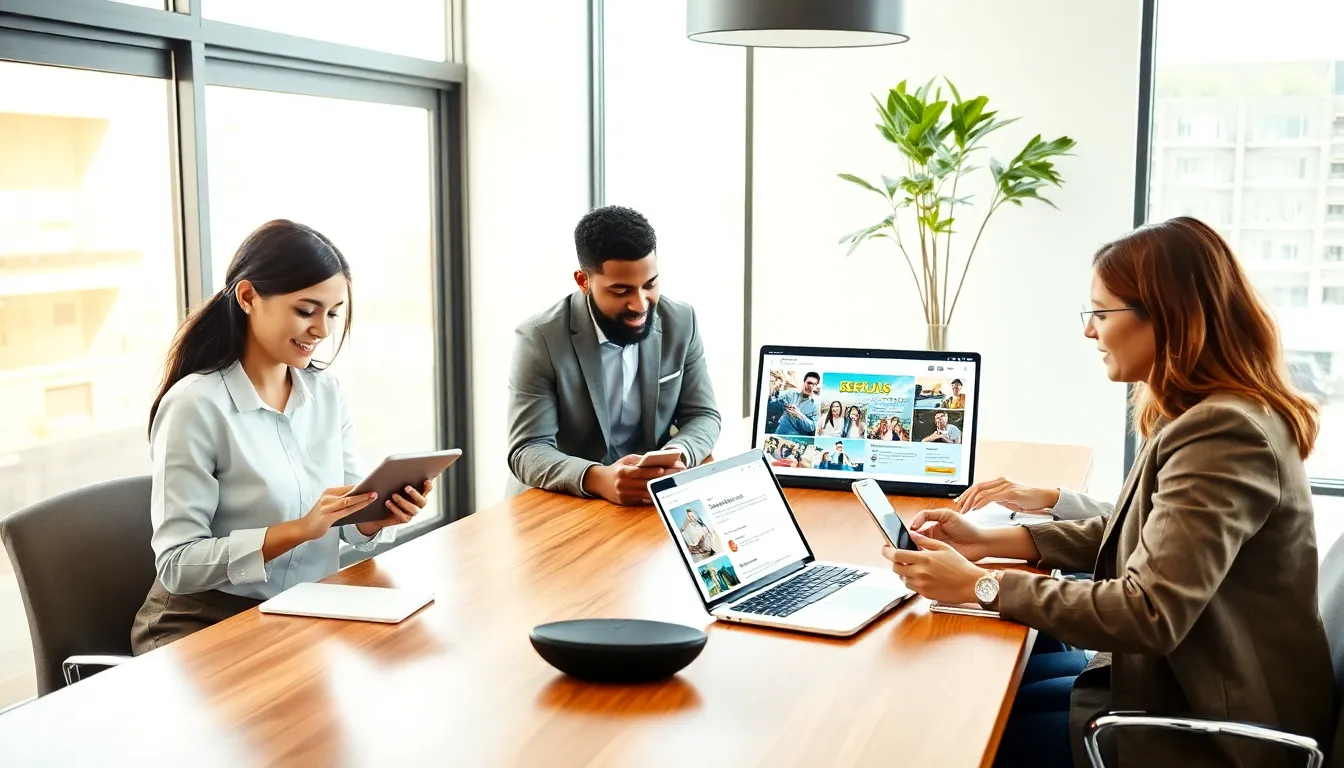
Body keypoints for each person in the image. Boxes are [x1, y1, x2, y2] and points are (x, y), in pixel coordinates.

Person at [880, 217, 1332, 768]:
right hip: (1183, 687)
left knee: (965, 737)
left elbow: (1149, 611)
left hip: (1216, 735)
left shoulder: (1221, 435)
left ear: (1166, 318)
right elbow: (1139, 530)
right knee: (1000, 692)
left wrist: (982, 586)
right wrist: (991, 540)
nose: (1089, 331)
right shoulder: (1211, 412)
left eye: (1100, 312)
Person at [131, 220, 429, 654]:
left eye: (332, 313)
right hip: (201, 624)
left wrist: (372, 517)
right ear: (249, 297)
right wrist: (298, 530)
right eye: (306, 311)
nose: (322, 330)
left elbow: (343, 519)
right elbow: (178, 565)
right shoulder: (196, 404)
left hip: (298, 613)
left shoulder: (326, 393)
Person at [506, 206, 721, 505]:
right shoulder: (539, 338)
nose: (640, 305)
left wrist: (676, 458)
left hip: (647, 498)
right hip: (565, 501)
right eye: (621, 291)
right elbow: (527, 449)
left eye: (650, 285)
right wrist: (599, 478)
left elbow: (703, 415)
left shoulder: (682, 321)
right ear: (583, 281)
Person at [770, 371, 820, 435]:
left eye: (814, 384)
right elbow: (774, 398)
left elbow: (812, 427)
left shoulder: (816, 405)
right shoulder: (790, 394)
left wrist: (799, 415)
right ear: (804, 383)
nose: (811, 386)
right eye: (809, 383)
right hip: (780, 433)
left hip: (798, 438)